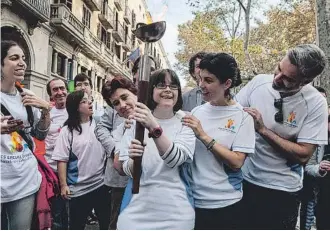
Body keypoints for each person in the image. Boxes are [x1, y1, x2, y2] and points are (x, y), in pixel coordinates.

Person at [235, 44, 328, 229]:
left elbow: (304, 155)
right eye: (278, 68)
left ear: (305, 81)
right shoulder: (258, 82)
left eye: (288, 79)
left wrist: (263, 130)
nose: (277, 79)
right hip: (244, 181)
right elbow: (232, 116)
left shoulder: (316, 103)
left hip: (282, 190)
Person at [114, 69, 196, 229]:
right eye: (161, 85)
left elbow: (175, 159)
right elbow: (125, 169)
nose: (167, 90)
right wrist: (133, 160)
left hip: (177, 212)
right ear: (151, 90)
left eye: (173, 86)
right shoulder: (134, 123)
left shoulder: (186, 122)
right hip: (136, 209)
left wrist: (153, 127)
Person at [182, 53, 255, 230]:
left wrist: (204, 136)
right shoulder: (197, 112)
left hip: (227, 204)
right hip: (194, 201)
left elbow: (237, 162)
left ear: (227, 83)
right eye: (200, 79)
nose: (201, 85)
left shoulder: (243, 116)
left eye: (208, 80)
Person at [1, 40, 51, 229]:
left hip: (24, 179)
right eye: (14, 58)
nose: (22, 62)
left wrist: (46, 110)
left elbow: (40, 134)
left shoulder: (27, 94)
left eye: (23, 58)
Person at [51, 90, 111, 230]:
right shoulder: (67, 131)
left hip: (101, 184)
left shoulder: (100, 124)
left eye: (89, 100)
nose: (89, 103)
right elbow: (62, 160)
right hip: (78, 190)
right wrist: (64, 185)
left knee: (107, 224)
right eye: (84, 101)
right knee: (76, 226)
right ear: (75, 108)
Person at [299, 86, 328, 230]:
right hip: (311, 184)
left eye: (324, 99)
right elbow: (307, 164)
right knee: (307, 216)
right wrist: (319, 168)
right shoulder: (308, 126)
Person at [44, 78, 69, 229]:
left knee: (71, 212)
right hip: (51, 171)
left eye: (62, 88)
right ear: (51, 95)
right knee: (56, 213)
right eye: (55, 90)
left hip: (71, 171)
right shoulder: (46, 113)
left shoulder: (77, 111)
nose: (59, 92)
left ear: (67, 90)